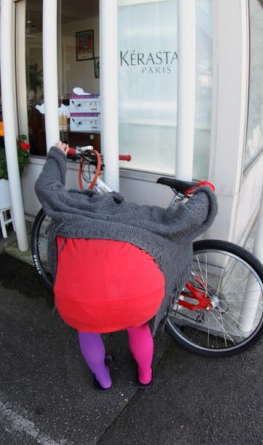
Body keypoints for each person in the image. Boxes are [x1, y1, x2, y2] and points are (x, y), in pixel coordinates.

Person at [35, 141, 217, 390]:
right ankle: (145, 375)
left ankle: (104, 380)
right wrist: (205, 192)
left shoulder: (70, 206)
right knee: (139, 327)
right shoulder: (143, 216)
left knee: (86, 329)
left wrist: (57, 153)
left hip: (78, 297)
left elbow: (45, 186)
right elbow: (185, 220)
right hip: (137, 298)